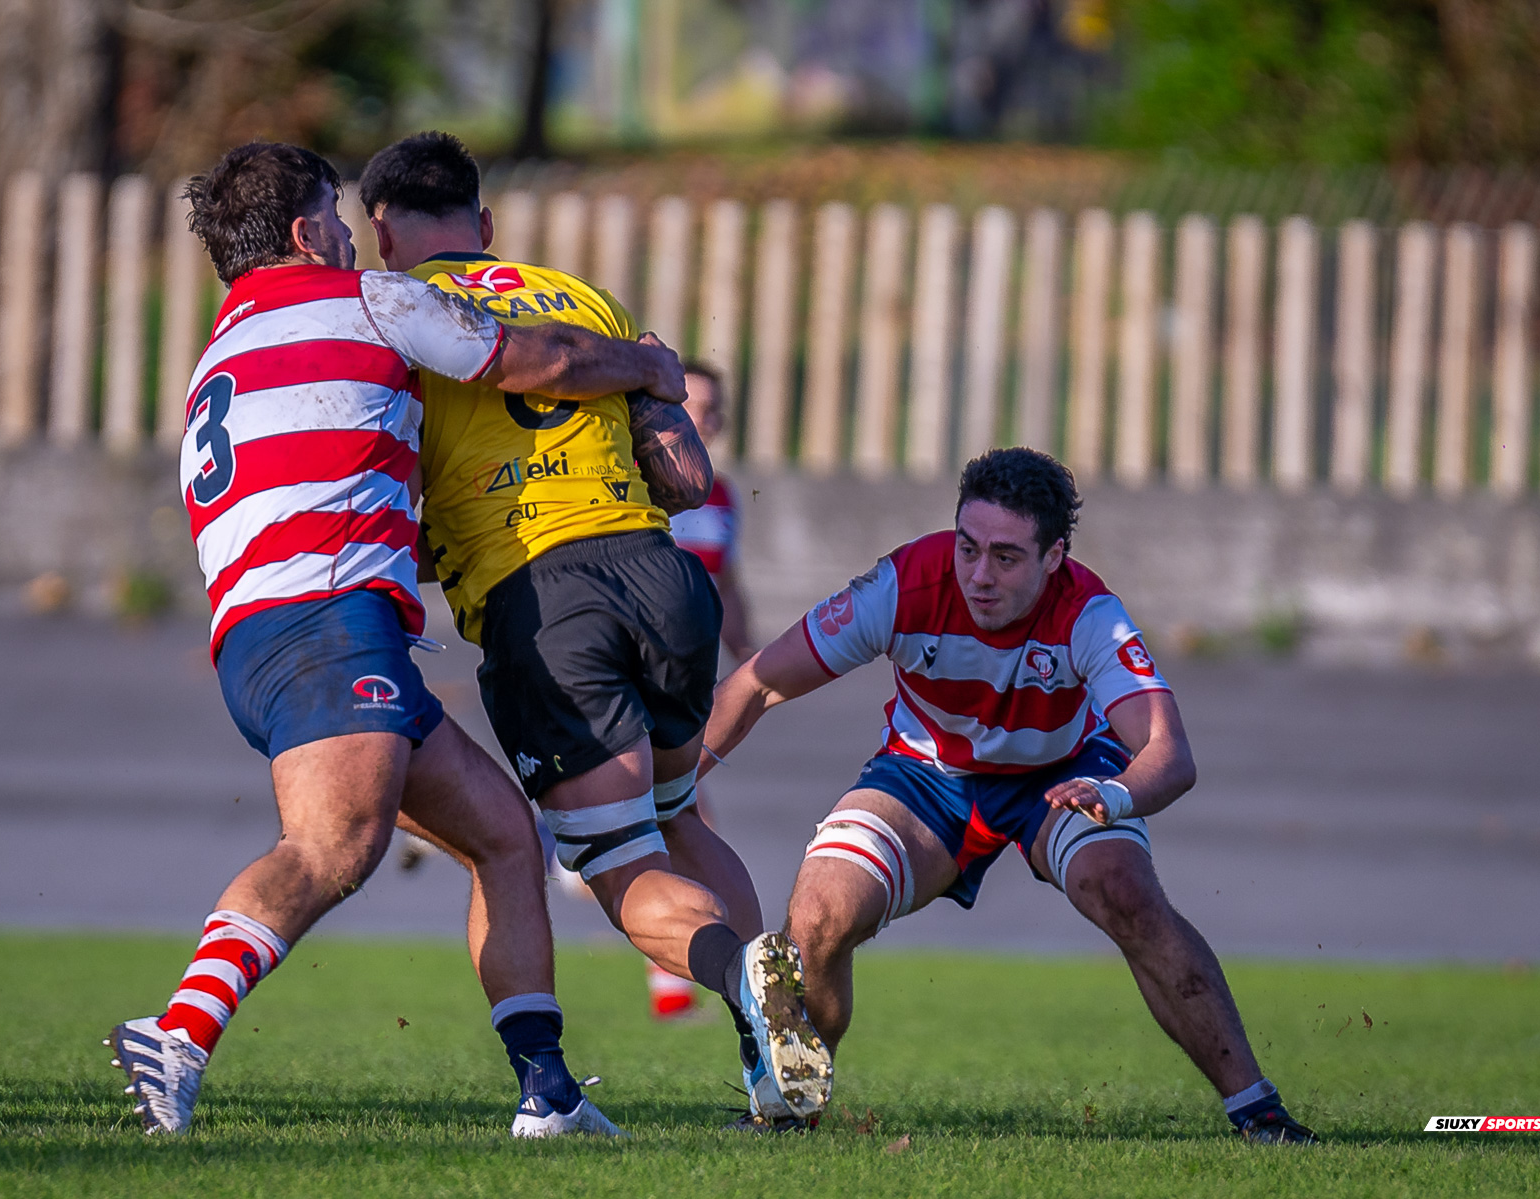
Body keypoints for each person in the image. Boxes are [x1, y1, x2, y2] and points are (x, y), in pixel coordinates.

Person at [106, 141, 686, 1139]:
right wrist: (647, 364)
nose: (353, 235)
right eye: (336, 217)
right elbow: (538, 360)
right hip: (327, 621)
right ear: (305, 232)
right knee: (334, 845)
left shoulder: (223, 349)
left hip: (266, 628)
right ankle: (179, 1033)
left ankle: (547, 1091)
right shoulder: (367, 302)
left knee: (502, 835)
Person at [359, 130, 832, 1125]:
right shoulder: (586, 301)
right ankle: (765, 1049)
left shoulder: (395, 320)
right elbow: (688, 478)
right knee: (680, 813)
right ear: (487, 224)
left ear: (383, 233)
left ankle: (742, 973)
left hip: (545, 603)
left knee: (617, 863)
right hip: (663, 577)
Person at [701, 447, 1318, 1144]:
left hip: (1061, 774)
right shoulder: (903, 585)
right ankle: (792, 1110)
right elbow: (758, 682)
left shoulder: (1090, 613)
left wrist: (1114, 794)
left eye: (1005, 557)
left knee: (1125, 890)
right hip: (925, 775)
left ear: (1054, 556)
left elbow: (1169, 755)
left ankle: (1258, 1110)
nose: (979, 575)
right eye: (968, 547)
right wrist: (675, 783)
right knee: (818, 913)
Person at [647, 362, 754, 1020]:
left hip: (690, 686)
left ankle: (554, 846)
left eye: (711, 409)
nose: (701, 419)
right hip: (633, 680)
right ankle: (688, 981)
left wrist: (755, 658)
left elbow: (727, 584)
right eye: (689, 404)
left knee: (660, 819)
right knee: (685, 818)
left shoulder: (723, 497)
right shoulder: (632, 481)